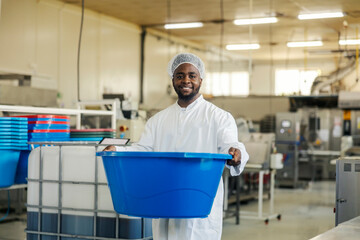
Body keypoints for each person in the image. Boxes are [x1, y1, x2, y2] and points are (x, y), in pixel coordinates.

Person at [104, 53, 249, 240]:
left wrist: (236, 152)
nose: (186, 80)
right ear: (173, 80)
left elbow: (231, 145)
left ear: (201, 80)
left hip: (199, 204)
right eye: (180, 75)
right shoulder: (158, 120)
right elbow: (143, 149)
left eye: (192, 75)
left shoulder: (219, 117)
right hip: (165, 200)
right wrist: (118, 150)